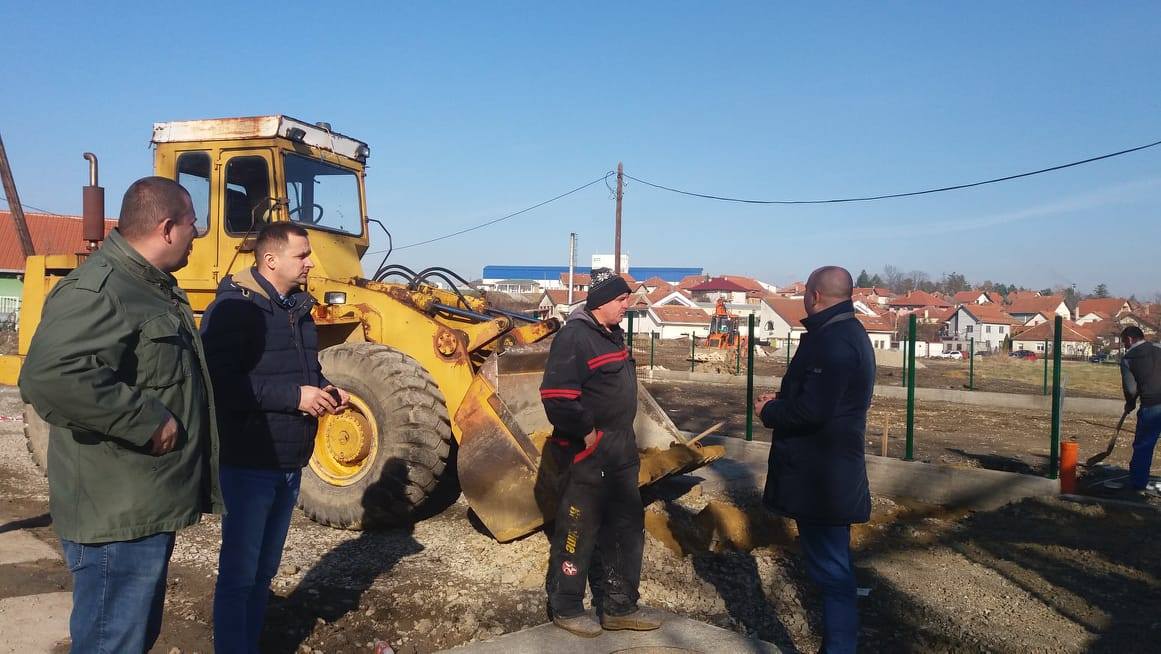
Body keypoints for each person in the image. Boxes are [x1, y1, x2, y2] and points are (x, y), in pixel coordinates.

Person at [19, 176, 221, 653]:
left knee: (130, 639)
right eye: (193, 224)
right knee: (112, 643)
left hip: (144, 504)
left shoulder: (149, 287)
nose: (198, 234)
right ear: (167, 228)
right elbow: (49, 375)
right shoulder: (104, 288)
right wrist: (148, 421)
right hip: (116, 514)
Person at [200, 222, 349, 654]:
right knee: (239, 575)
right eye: (301, 255)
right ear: (270, 260)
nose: (310, 263)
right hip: (249, 462)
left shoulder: (298, 310)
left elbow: (305, 371)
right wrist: (295, 398)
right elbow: (220, 385)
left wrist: (325, 390)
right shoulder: (235, 311)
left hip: (289, 462)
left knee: (264, 571)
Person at [754, 266, 873, 654]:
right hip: (828, 474)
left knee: (832, 573)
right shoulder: (845, 333)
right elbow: (823, 399)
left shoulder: (834, 342)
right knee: (833, 568)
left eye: (805, 292)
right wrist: (785, 400)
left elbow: (814, 411)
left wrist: (770, 411)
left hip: (822, 479)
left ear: (815, 295)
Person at [538, 268, 662, 637]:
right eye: (621, 299)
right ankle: (566, 605)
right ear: (601, 301)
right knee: (578, 529)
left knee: (625, 528)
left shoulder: (612, 334)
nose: (627, 305)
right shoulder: (575, 337)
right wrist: (587, 433)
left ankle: (619, 606)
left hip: (620, 450)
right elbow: (557, 398)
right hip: (587, 453)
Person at [1119, 326, 1161, 492]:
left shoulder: (1128, 359)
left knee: (1144, 445)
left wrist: (1130, 403)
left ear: (1129, 339)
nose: (1124, 346)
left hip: (1152, 405)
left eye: (1124, 342)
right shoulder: (1158, 348)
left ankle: (1138, 485)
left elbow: (1131, 389)